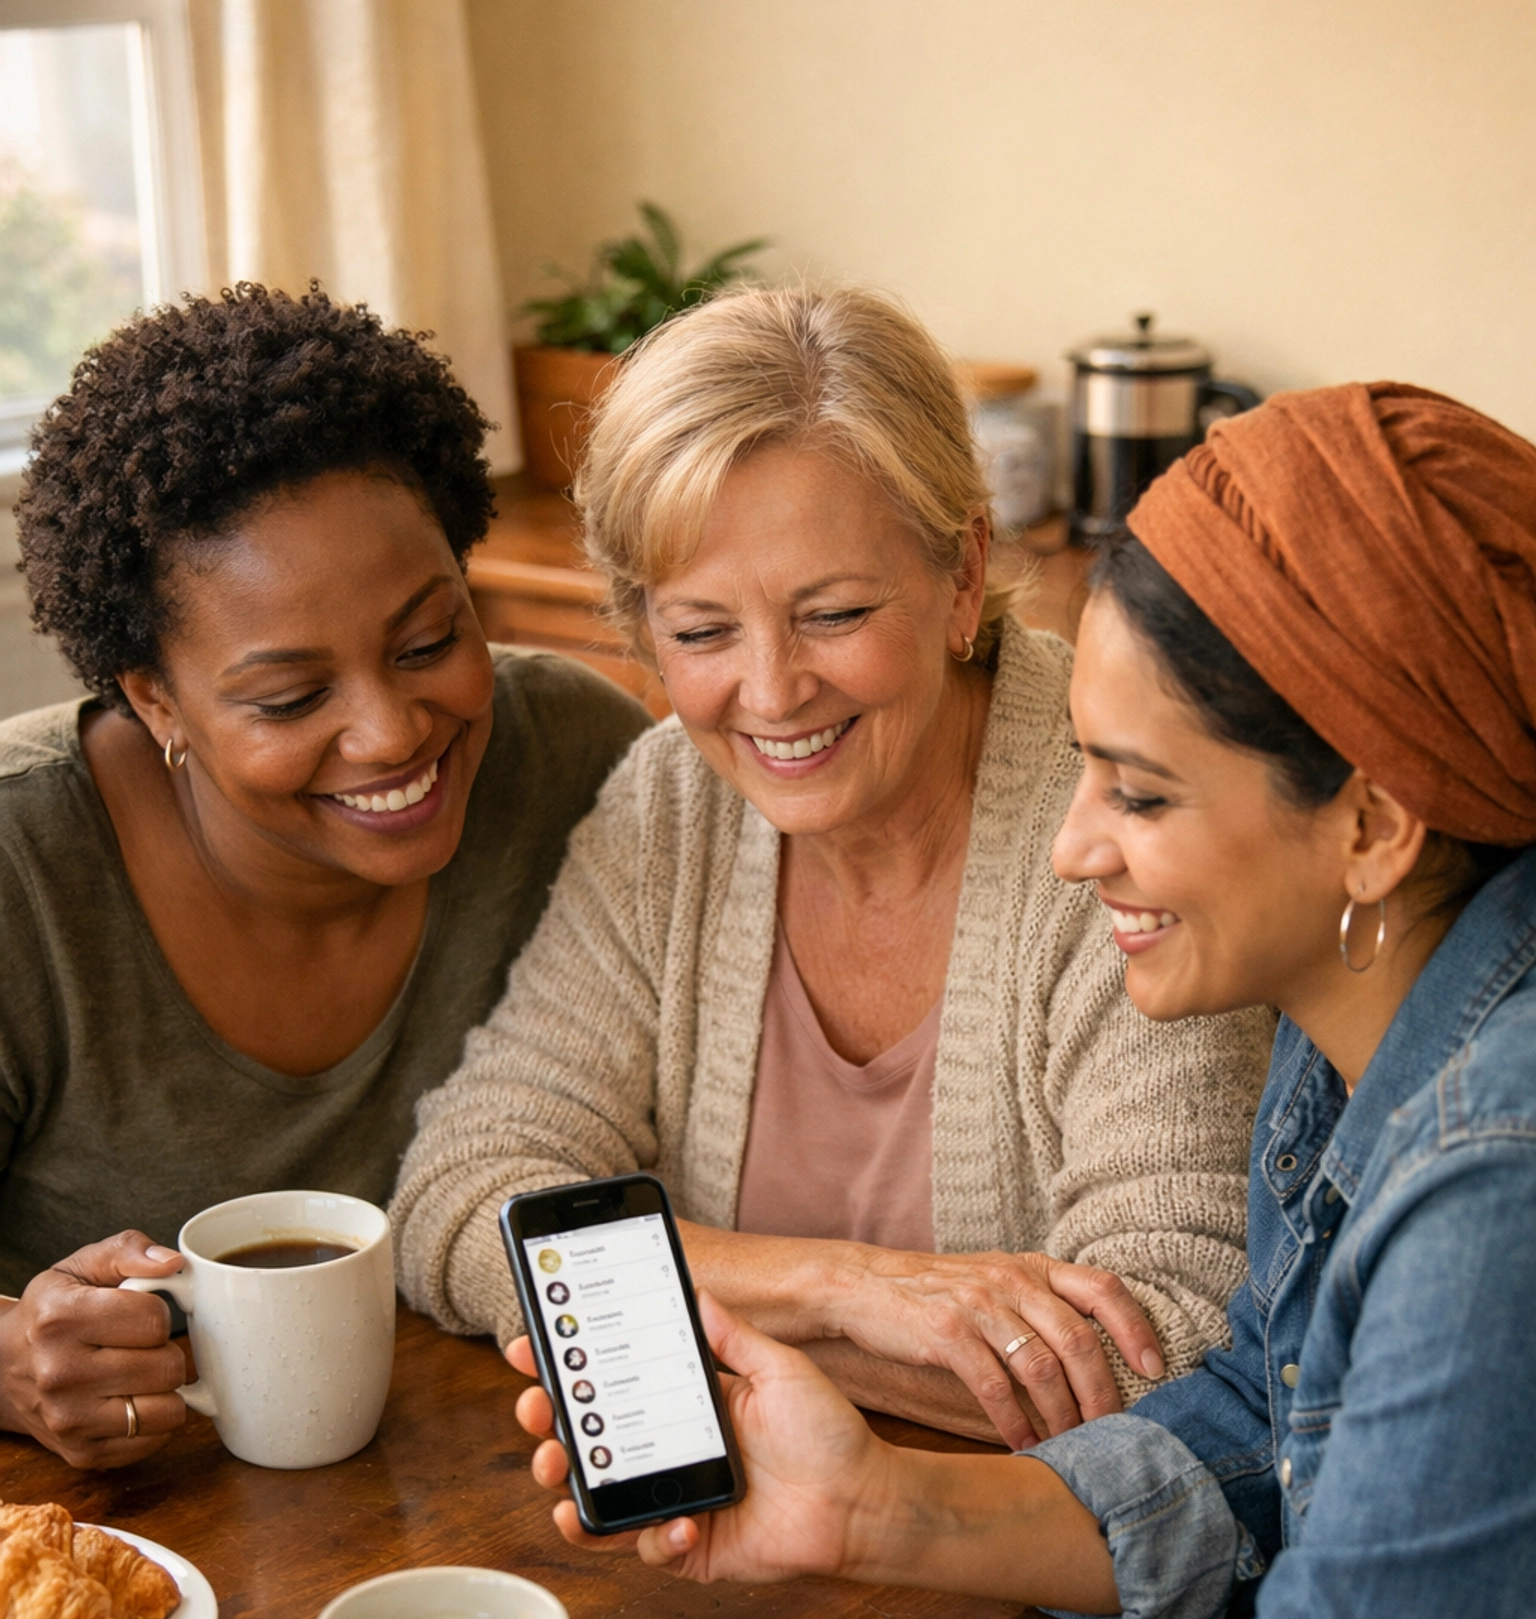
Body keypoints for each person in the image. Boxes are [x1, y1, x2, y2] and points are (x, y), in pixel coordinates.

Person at [509, 382, 1536, 1619]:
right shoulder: (1377, 975)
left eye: (1137, 790)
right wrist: (886, 1506)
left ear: (1370, 820)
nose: (1070, 847)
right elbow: (1254, 1419)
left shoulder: (1497, 1179)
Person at [393, 287, 1272, 1445]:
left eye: (835, 613)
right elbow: (460, 1205)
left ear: (962, 575)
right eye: (702, 631)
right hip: (733, 1543)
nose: (769, 693)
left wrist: (656, 1306)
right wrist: (839, 1286)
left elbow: (1173, 1343)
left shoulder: (1118, 812)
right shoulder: (674, 801)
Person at [0, 285, 647, 1470]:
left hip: (513, 1483)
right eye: (292, 698)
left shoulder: (582, 764)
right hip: (144, 1544)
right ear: (157, 703)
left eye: (431, 642)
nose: (392, 733)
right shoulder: (20, 870)